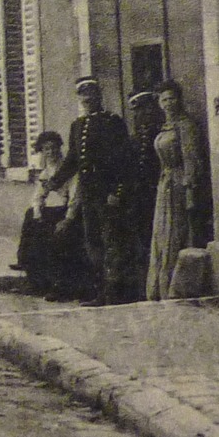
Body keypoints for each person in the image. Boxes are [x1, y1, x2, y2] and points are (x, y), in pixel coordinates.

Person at [42, 77, 133, 305]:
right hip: (88, 192)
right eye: (83, 95)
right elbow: (73, 160)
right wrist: (55, 181)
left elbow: (124, 160)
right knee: (93, 242)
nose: (87, 99)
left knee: (111, 241)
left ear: (99, 95)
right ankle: (100, 290)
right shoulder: (77, 126)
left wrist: (118, 190)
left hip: (107, 192)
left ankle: (114, 291)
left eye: (91, 94)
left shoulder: (113, 123)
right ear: (79, 99)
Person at [146, 79, 208, 301]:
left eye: (172, 98)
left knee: (177, 234)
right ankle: (159, 289)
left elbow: (192, 161)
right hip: (166, 185)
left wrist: (190, 191)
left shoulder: (186, 125)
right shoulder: (165, 127)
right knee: (163, 235)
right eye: (164, 99)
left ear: (179, 100)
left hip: (181, 186)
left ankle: (177, 288)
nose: (168, 103)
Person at [13, 131, 71, 295]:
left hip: (66, 210)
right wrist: (38, 212)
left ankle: (56, 286)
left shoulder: (66, 168)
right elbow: (38, 196)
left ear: (59, 148)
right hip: (52, 210)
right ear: (42, 152)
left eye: (53, 148)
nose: (51, 152)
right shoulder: (46, 171)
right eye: (46, 149)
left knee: (49, 235)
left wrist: (68, 217)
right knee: (31, 215)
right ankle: (29, 269)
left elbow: (74, 197)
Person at [124, 89, 165, 300]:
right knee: (140, 240)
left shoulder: (160, 133)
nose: (142, 115)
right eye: (138, 111)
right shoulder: (134, 139)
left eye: (146, 109)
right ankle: (141, 287)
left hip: (156, 192)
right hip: (138, 196)